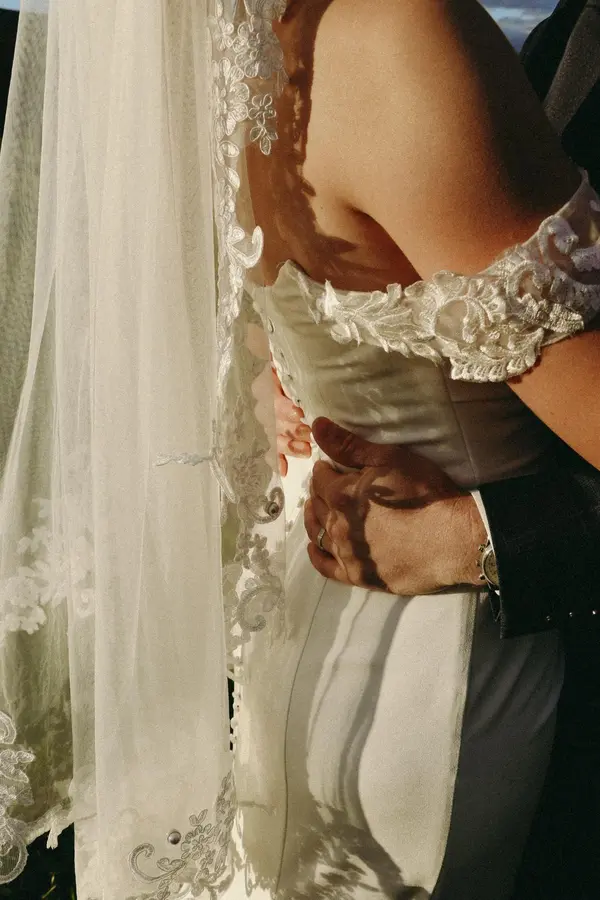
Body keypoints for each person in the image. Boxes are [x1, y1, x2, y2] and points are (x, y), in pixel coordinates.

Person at [0, 2, 599, 898]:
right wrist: (479, 537)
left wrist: (282, 371)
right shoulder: (400, 34)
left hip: (308, 630)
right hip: (449, 669)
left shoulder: (216, 48)